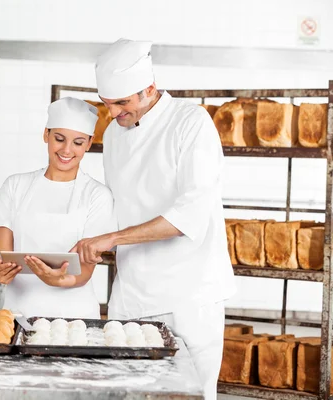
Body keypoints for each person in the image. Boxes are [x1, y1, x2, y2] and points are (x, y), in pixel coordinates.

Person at [70, 38, 235, 400]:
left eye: (121, 103)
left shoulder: (191, 123)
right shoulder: (114, 134)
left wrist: (111, 240)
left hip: (189, 296)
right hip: (131, 295)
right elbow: (120, 205)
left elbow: (187, 216)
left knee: (190, 395)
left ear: (149, 89)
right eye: (107, 104)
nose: (112, 114)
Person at [0, 97, 116, 319]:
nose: (67, 150)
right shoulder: (15, 186)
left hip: (77, 318)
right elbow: (3, 257)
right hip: (20, 315)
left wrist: (60, 280)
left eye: (78, 142)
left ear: (89, 142)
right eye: (59, 138)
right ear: (46, 134)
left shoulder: (98, 195)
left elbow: (84, 272)